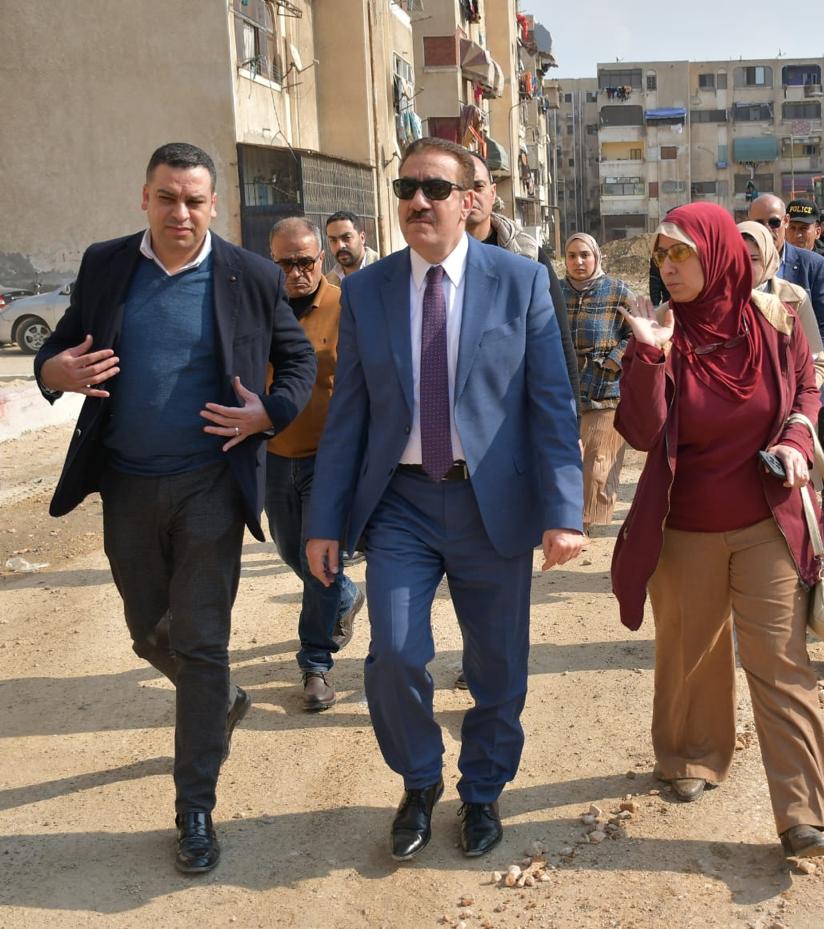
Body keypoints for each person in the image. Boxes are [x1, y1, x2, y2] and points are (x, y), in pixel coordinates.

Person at [34, 142, 316, 873]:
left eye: (194, 200)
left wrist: (268, 413)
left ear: (213, 205)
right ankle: (217, 698)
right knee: (145, 630)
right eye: (167, 198)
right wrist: (52, 370)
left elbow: (298, 361)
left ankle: (195, 806)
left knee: (201, 643)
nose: (180, 213)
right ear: (145, 198)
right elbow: (61, 349)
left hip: (209, 485)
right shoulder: (106, 265)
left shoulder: (250, 275)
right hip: (126, 484)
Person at [304, 137, 584, 863]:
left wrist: (564, 511)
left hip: (492, 503)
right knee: (394, 654)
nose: (419, 201)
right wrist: (324, 520)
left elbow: (551, 405)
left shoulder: (521, 282)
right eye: (407, 188)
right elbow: (348, 416)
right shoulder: (368, 290)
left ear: (468, 201)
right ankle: (420, 780)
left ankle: (483, 790)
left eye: (435, 188)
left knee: (498, 665)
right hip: (401, 503)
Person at [610, 201, 824, 859]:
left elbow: (805, 391)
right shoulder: (662, 331)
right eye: (661, 254)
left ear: (719, 256)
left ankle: (802, 814)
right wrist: (648, 358)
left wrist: (797, 439)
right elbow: (641, 432)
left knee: (780, 659)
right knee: (690, 650)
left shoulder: (776, 320)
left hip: (766, 521)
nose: (668, 266)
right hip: (686, 528)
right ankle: (691, 756)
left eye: (682, 252)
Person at [263, 217, 364, 711]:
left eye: (305, 262)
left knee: (318, 562)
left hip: (329, 459)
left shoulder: (347, 307)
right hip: (273, 455)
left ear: (320, 258)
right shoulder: (260, 309)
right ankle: (346, 595)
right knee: (290, 551)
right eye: (285, 264)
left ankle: (315, 662)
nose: (296, 273)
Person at [465, 152, 580, 410]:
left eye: (478, 186)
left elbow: (559, 339)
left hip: (517, 404)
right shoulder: (434, 263)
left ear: (492, 192)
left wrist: (572, 417)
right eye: (460, 188)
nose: (470, 196)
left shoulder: (526, 255)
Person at [560, 232, 634, 532]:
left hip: (605, 386)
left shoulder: (617, 291)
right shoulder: (554, 291)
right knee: (565, 457)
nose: (578, 262)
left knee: (599, 459)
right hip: (563, 387)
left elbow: (637, 331)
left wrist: (615, 359)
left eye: (585, 255)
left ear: (596, 257)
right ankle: (565, 516)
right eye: (572, 256)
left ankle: (586, 521)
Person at [746, 194, 824, 364]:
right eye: (759, 223)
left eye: (774, 223)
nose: (767, 229)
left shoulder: (815, 265)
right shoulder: (736, 264)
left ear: (785, 221)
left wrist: (814, 370)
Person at [739, 220, 824, 384]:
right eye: (738, 257)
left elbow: (815, 362)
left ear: (767, 258)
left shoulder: (793, 297)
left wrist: (795, 396)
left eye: (754, 259)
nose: (744, 265)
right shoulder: (714, 299)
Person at [324, 210, 379, 285]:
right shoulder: (328, 283)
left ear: (362, 238)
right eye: (333, 240)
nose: (340, 246)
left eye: (346, 237)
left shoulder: (386, 268)